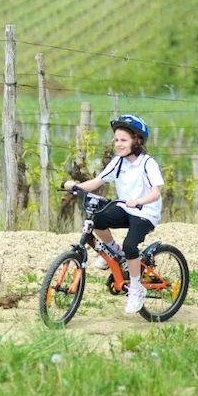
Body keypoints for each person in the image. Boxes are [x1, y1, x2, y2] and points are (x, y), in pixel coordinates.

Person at [62, 114, 163, 315]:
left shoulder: (147, 163)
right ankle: (114, 251)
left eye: (123, 140)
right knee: (97, 218)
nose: (118, 144)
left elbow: (156, 192)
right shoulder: (118, 162)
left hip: (145, 212)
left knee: (130, 246)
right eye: (116, 140)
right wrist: (76, 186)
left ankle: (136, 288)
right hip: (125, 208)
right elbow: (97, 182)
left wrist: (139, 201)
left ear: (137, 140)